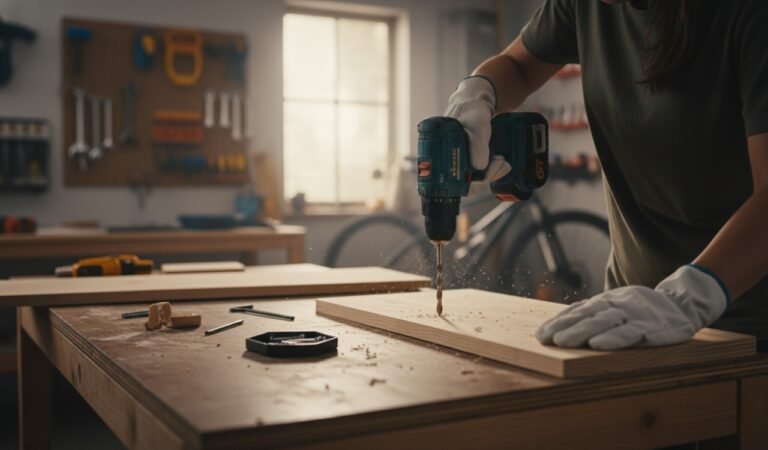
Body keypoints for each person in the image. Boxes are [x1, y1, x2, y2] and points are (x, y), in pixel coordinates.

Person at [444, 0, 768, 351]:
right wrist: (479, 92)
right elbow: (518, 66)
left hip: (746, 328)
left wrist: (689, 297)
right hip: (628, 315)